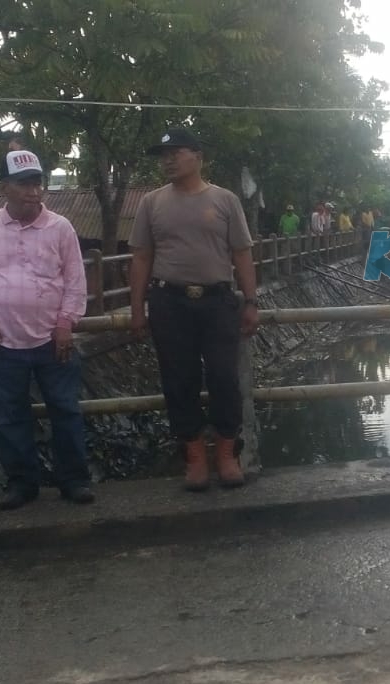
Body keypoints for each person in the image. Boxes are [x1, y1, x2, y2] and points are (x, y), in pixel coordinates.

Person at [0, 149, 93, 510]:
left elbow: (76, 281)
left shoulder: (61, 227)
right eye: (23, 184)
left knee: (65, 410)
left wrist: (66, 323)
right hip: (4, 344)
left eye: (37, 182)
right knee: (10, 417)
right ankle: (22, 484)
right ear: (3, 187)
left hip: (53, 342)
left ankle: (75, 480)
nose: (33, 190)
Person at [128, 127, 261, 491]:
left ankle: (228, 455)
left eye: (177, 152)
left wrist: (250, 301)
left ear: (199, 157)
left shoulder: (225, 200)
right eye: (164, 154)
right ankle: (195, 459)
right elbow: (141, 257)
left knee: (223, 377)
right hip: (169, 303)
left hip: (218, 302)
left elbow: (242, 253)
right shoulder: (151, 202)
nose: (169, 159)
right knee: (178, 381)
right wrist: (137, 309)